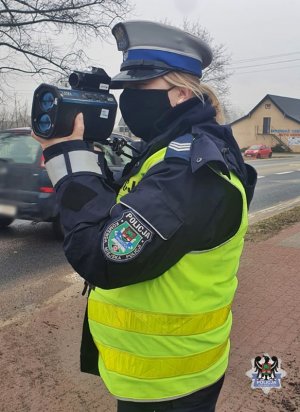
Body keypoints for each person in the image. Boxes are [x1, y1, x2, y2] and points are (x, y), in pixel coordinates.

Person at [32, 20, 257, 412]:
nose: (129, 101)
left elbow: (101, 258)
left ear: (181, 92)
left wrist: (67, 162)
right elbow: (118, 211)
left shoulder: (190, 173)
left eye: (139, 89)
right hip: (156, 376)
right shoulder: (166, 154)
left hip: (172, 386)